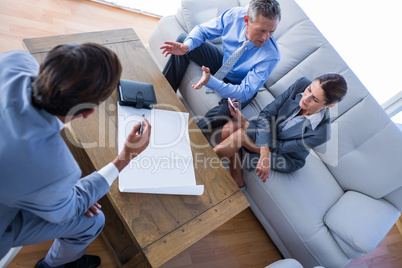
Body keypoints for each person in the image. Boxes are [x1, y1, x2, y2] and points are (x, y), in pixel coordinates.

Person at [0, 43, 151, 268]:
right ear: (89, 112)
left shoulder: (14, 62)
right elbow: (64, 213)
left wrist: (68, 195)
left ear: (44, 67)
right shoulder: (58, 170)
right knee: (94, 221)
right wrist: (125, 157)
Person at [160, 0, 281, 130]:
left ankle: (190, 134)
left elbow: (244, 92)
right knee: (184, 40)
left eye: (271, 32)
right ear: (246, 20)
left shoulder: (271, 55)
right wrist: (187, 46)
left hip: (241, 83)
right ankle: (161, 96)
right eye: (261, 30)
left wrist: (211, 81)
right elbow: (202, 30)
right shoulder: (234, 16)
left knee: (223, 112)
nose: (265, 37)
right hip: (224, 60)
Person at [213, 74, 348, 188]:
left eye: (315, 99)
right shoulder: (301, 84)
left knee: (240, 137)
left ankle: (197, 166)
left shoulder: (321, 133)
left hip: (285, 155)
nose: (305, 98)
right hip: (271, 135)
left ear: (329, 105)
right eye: (309, 90)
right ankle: (237, 181)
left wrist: (251, 131)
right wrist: (253, 133)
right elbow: (267, 114)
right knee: (229, 128)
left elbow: (280, 147)